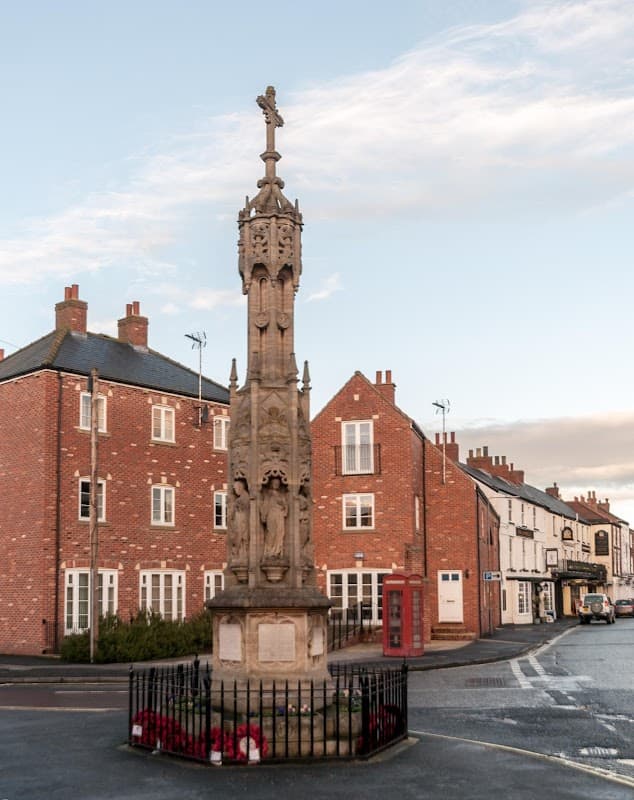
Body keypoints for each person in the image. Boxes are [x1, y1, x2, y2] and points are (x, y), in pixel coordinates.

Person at [260, 477, 288, 559]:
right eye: (275, 483)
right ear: (271, 484)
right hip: (271, 514)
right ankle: (269, 552)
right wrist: (263, 515)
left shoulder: (281, 495)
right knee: (271, 532)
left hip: (279, 515)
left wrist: (284, 508)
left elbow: (286, 506)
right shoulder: (268, 494)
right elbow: (265, 505)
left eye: (278, 483)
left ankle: (277, 552)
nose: (276, 484)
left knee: (280, 533)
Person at [231, 480, 249, 562]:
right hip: (239, 522)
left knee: (240, 537)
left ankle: (241, 556)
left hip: (242, 522)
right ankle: (241, 556)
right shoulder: (240, 499)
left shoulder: (243, 499)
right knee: (239, 538)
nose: (235, 491)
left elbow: (241, 513)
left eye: (235, 489)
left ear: (240, 487)